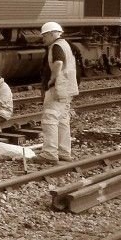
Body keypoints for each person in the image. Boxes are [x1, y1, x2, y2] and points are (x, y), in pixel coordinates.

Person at [37, 21, 78, 163]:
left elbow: (58, 63)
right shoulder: (66, 45)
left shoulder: (56, 46)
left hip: (58, 88)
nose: (43, 39)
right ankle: (64, 152)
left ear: (51, 34)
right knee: (62, 120)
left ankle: (49, 153)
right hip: (67, 89)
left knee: (49, 120)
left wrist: (52, 79)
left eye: (44, 36)